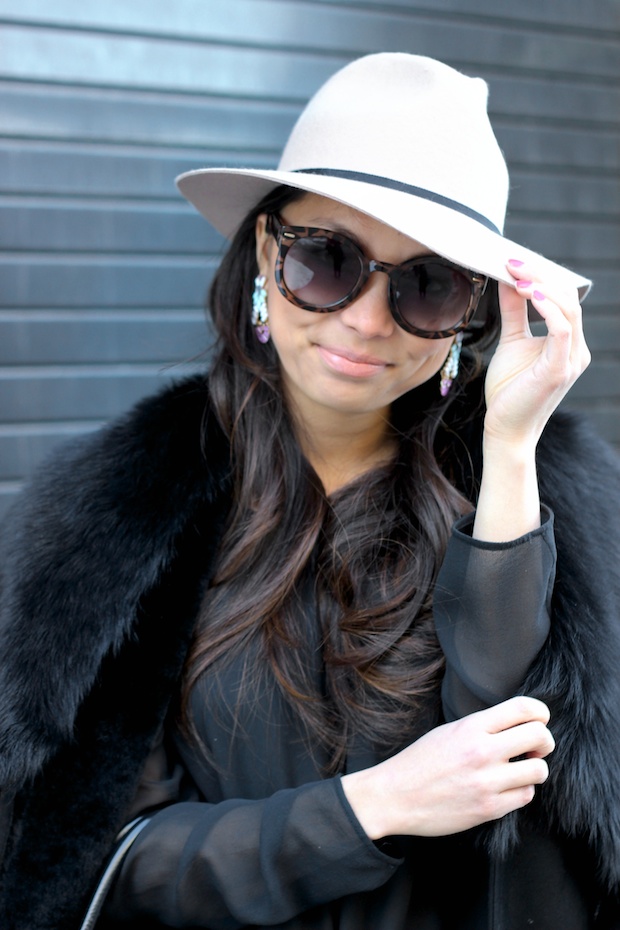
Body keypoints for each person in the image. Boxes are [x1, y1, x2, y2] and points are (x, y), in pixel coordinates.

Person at [0, 51, 619, 930]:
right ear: (264, 250)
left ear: (473, 314)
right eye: (326, 259)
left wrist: (512, 444)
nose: (366, 321)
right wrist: (373, 808)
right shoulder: (113, 523)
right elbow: (115, 863)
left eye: (427, 285)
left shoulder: (542, 504)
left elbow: (503, 794)